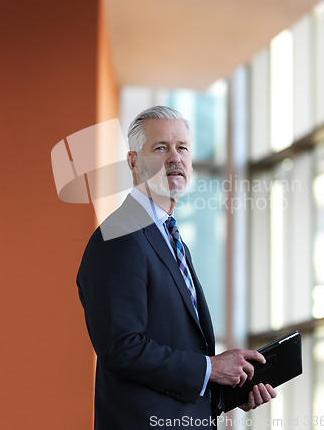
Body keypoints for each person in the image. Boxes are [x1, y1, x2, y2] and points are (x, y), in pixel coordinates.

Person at [77, 106, 276, 429]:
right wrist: (209, 368)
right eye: (160, 148)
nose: (174, 158)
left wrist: (228, 386)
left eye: (182, 147)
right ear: (133, 163)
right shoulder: (119, 237)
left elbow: (176, 350)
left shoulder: (170, 239)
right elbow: (121, 347)